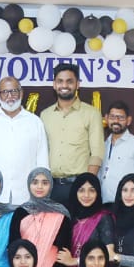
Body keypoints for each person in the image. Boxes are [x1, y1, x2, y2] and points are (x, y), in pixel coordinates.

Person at [0, 75, 48, 204]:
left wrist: (41, 200)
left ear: (21, 93)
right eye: (4, 92)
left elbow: (42, 164)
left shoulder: (35, 122)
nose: (9, 96)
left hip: (27, 197)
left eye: (14, 91)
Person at [39, 63, 103, 204]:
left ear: (77, 84)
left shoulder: (91, 114)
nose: (64, 85)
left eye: (69, 81)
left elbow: (97, 154)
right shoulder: (45, 115)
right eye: (60, 81)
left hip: (80, 186)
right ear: (54, 84)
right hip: (51, 187)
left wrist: (87, 186)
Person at [8, 167, 75, 267]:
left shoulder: (61, 213)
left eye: (45, 182)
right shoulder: (21, 212)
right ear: (29, 184)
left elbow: (64, 251)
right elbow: (13, 246)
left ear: (51, 185)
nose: (39, 186)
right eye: (35, 182)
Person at [99, 100, 134, 204]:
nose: (116, 121)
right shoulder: (103, 145)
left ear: (128, 120)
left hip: (127, 206)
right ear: (106, 118)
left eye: (121, 118)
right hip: (104, 205)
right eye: (112, 117)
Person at [65, 172, 113, 267]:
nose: (86, 195)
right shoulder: (68, 217)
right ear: (75, 192)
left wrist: (75, 261)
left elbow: (109, 255)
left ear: (98, 193)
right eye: (81, 190)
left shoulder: (103, 217)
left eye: (92, 190)